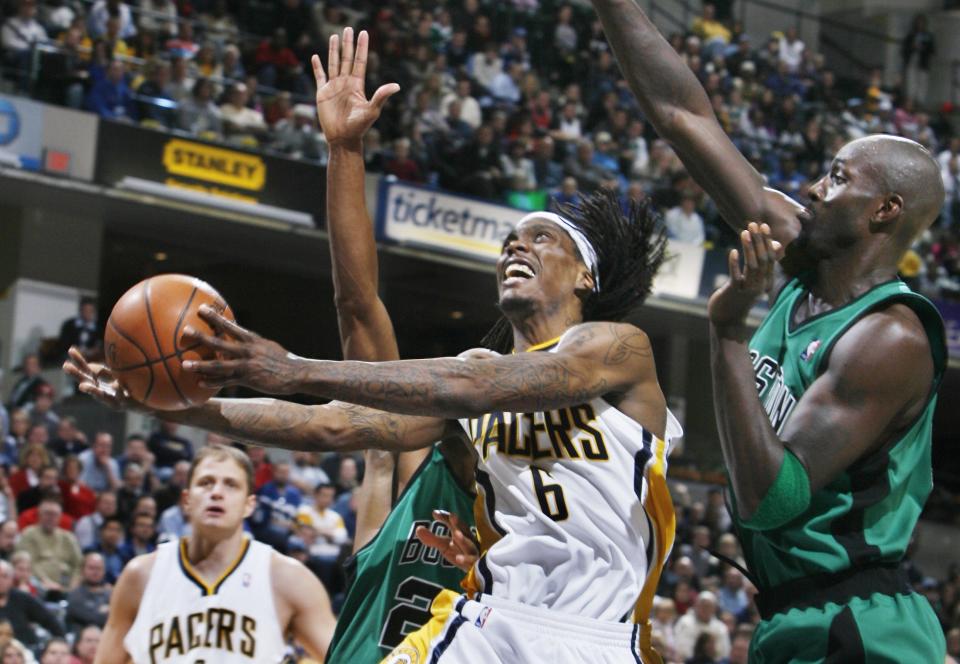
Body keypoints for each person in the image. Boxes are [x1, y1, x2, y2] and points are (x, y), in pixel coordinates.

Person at [67, 27, 676, 663]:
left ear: (586, 276)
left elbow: (472, 387)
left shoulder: (618, 349)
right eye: (510, 241)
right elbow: (332, 427)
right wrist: (167, 405)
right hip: (492, 621)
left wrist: (293, 367)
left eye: (541, 238)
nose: (515, 247)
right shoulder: (475, 383)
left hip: (601, 634)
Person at [589, 0, 948, 660]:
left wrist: (727, 334)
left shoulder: (889, 338)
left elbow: (770, 500)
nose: (813, 188)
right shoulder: (800, 257)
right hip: (792, 614)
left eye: (837, 177)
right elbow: (684, 118)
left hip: (860, 629)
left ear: (885, 211)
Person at [89, 445, 335, 663]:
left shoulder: (287, 578)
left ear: (249, 504)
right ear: (186, 500)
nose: (217, 492)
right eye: (206, 483)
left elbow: (347, 658)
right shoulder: (140, 576)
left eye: (231, 485)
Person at [0, 559, 64, 649]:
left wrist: (62, 643)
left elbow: (49, 619)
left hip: (27, 651)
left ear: (11, 579)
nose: (1, 581)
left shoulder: (22, 598)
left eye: (5, 576)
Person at [65, 552, 111, 633]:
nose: (95, 572)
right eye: (91, 568)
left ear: (104, 571)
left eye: (99, 568)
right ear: (82, 570)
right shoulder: (75, 594)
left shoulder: (110, 593)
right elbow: (93, 619)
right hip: (81, 639)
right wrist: (108, 611)